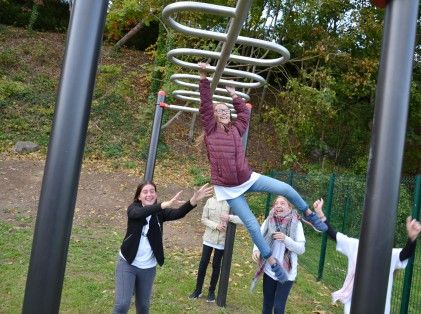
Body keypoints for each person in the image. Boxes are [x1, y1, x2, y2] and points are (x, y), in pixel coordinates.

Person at [198, 62, 326, 282]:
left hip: (247, 178)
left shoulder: (236, 130)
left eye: (226, 110)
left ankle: (309, 215)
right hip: (228, 189)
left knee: (285, 188)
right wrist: (203, 76)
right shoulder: (210, 130)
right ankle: (271, 260)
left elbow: (244, 117)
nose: (223, 112)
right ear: (214, 117)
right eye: (219, 111)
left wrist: (234, 96)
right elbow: (206, 104)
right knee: (252, 225)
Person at [113, 182, 213, 314]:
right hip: (127, 264)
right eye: (145, 192)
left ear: (156, 194)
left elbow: (178, 213)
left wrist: (193, 200)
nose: (149, 194)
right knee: (122, 305)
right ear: (139, 197)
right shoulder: (133, 208)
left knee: (143, 308)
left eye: (152, 191)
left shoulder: (159, 213)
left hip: (148, 267)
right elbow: (138, 214)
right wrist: (161, 205)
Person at [313, 199, 421, 314]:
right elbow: (332, 233)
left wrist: (412, 238)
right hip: (354, 306)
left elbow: (405, 254)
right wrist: (319, 212)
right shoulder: (355, 246)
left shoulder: (389, 254)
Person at [251, 196, 306, 314]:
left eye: (282, 203)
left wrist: (286, 239)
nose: (278, 205)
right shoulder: (269, 220)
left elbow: (301, 249)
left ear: (289, 207)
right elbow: (259, 236)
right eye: (276, 203)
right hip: (269, 269)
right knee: (267, 305)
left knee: (278, 308)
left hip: (287, 273)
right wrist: (256, 249)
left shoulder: (297, 223)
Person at [189, 196, 243, 302]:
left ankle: (211, 292)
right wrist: (216, 225)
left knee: (216, 265)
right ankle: (198, 290)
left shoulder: (232, 202)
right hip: (208, 238)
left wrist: (230, 218)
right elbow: (203, 219)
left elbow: (242, 219)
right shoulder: (210, 200)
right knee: (203, 263)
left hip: (222, 241)